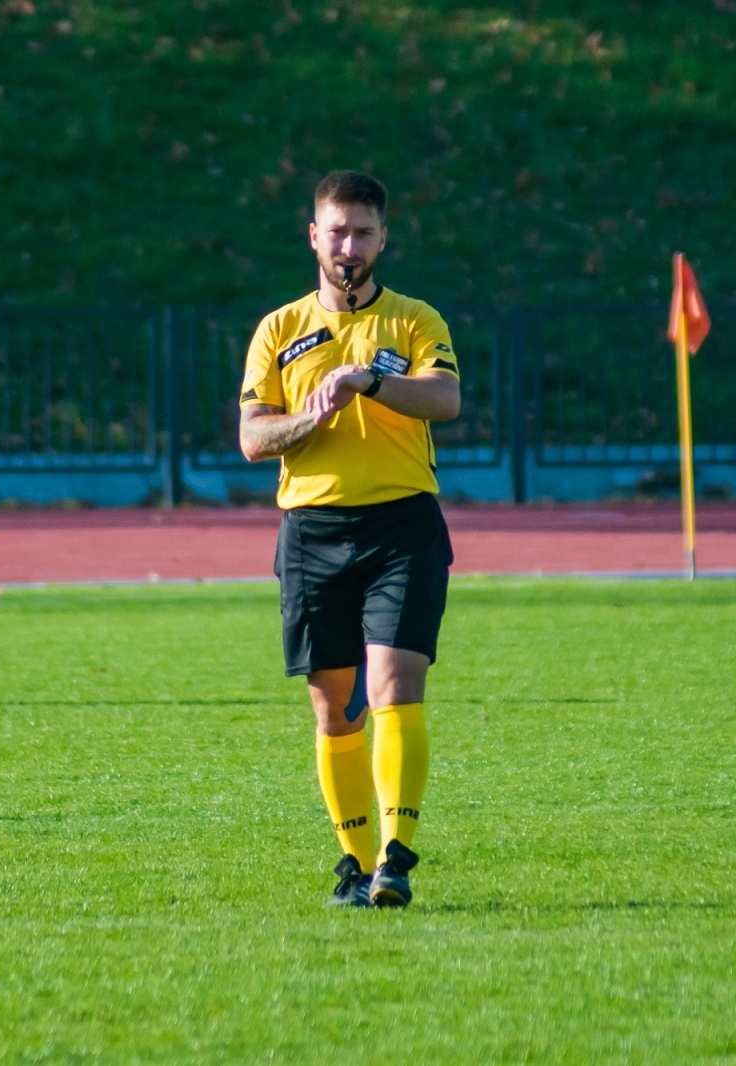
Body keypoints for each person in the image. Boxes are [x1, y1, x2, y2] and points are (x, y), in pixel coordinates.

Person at [238, 171, 460, 909]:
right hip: (312, 532)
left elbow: (445, 398)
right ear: (313, 235)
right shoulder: (278, 329)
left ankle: (395, 858)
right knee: (334, 708)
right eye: (336, 230)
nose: (349, 245)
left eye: (363, 232)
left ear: (383, 238)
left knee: (396, 686)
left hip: (403, 527)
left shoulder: (414, 320)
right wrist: (313, 416)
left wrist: (366, 382)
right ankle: (354, 863)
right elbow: (252, 437)